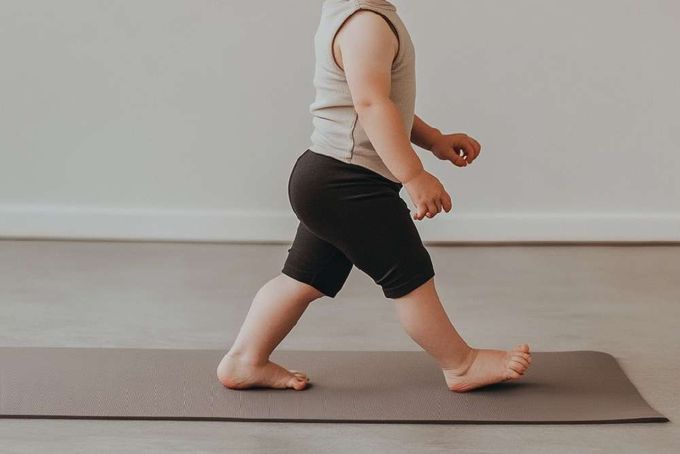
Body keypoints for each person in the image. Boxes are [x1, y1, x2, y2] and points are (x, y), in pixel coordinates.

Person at [217, 0, 531, 392]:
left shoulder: (357, 18)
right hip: (349, 183)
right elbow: (371, 106)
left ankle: (245, 360)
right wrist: (413, 174)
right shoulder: (367, 25)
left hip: (326, 178)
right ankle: (461, 364)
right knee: (410, 276)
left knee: (301, 279)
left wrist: (434, 141)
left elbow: (385, 104)